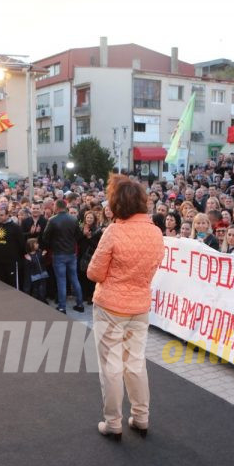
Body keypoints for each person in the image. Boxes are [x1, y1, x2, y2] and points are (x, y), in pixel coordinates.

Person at [87, 175, 164, 441]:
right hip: (140, 306)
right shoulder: (156, 232)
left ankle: (113, 423)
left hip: (110, 307)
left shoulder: (114, 232)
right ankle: (141, 418)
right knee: (135, 363)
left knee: (111, 367)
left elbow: (94, 272)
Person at [43, 200, 84, 314]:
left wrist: (53, 244)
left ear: (56, 207)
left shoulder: (52, 220)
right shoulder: (73, 219)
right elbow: (79, 236)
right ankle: (80, 304)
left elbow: (45, 237)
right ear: (65, 207)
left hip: (59, 254)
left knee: (61, 281)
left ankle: (62, 307)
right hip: (71, 253)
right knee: (74, 278)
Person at [0, 207, 25, 289]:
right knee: (1, 284)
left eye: (1, 215)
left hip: (11, 261)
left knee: (12, 284)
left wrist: (20, 256)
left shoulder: (15, 227)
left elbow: (21, 243)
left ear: (7, 215)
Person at [22, 238, 48, 302]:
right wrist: (31, 260)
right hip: (34, 276)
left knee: (43, 289)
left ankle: (43, 300)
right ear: (31, 245)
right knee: (35, 290)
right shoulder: (28, 256)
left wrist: (43, 256)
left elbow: (42, 262)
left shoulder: (39, 252)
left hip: (42, 275)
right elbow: (31, 265)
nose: (38, 244)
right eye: (36, 243)